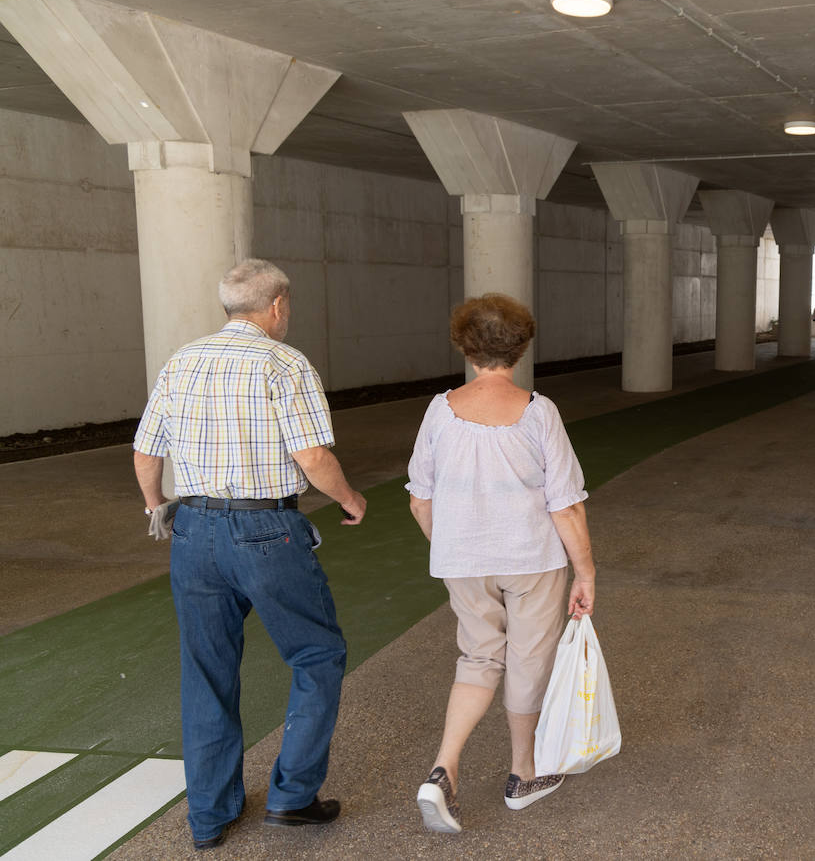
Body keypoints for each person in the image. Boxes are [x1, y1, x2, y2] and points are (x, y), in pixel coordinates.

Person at [132, 259, 368, 851]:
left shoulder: (181, 359)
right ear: (278, 306)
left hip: (192, 529)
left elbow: (145, 450)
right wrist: (351, 498)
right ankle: (292, 798)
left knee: (207, 670)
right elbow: (311, 457)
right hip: (265, 531)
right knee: (317, 653)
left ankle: (209, 818)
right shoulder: (284, 363)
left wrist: (156, 505)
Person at [406, 293, 595, 835]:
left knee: (478, 656)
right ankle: (523, 774)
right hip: (531, 560)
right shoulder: (539, 412)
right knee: (527, 659)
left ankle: (444, 769)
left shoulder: (439, 409)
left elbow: (421, 497)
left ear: (465, 347)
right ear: (521, 348)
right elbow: (566, 503)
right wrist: (586, 573)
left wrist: (452, 547)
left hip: (463, 561)